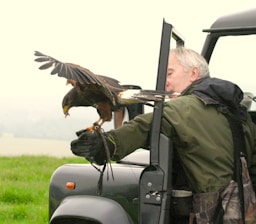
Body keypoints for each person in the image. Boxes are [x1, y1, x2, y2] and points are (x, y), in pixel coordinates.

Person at [70, 47, 256, 223]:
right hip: (246, 206)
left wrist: (106, 143)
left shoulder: (184, 108)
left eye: (170, 73)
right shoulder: (237, 111)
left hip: (215, 211)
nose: (165, 82)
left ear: (193, 73)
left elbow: (144, 126)